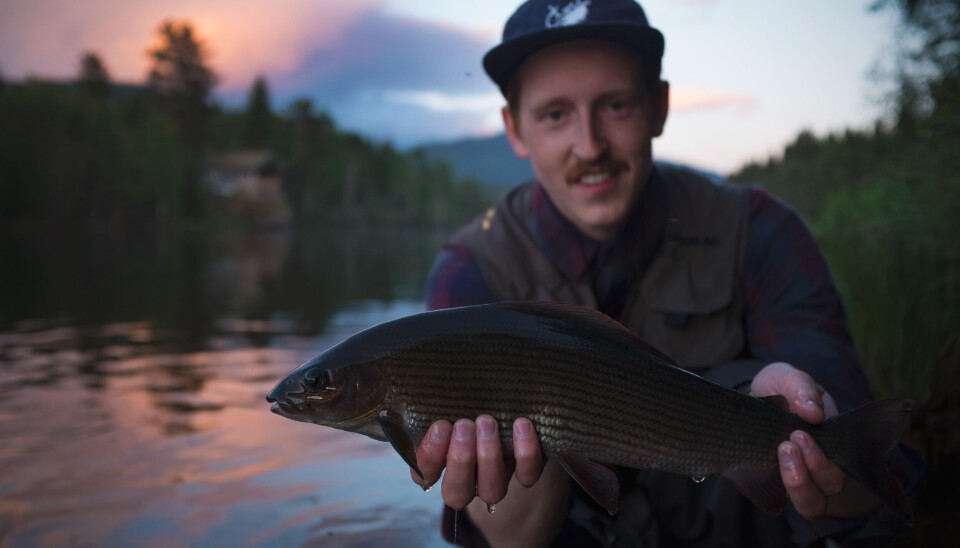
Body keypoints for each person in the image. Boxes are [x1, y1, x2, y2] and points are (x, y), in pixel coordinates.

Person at [412, 0, 923, 546]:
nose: (590, 146)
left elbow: (862, 497)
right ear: (515, 129)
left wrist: (818, 436)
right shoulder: (471, 268)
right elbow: (499, 541)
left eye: (615, 105)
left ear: (658, 107)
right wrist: (533, 439)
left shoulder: (760, 230)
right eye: (555, 114)